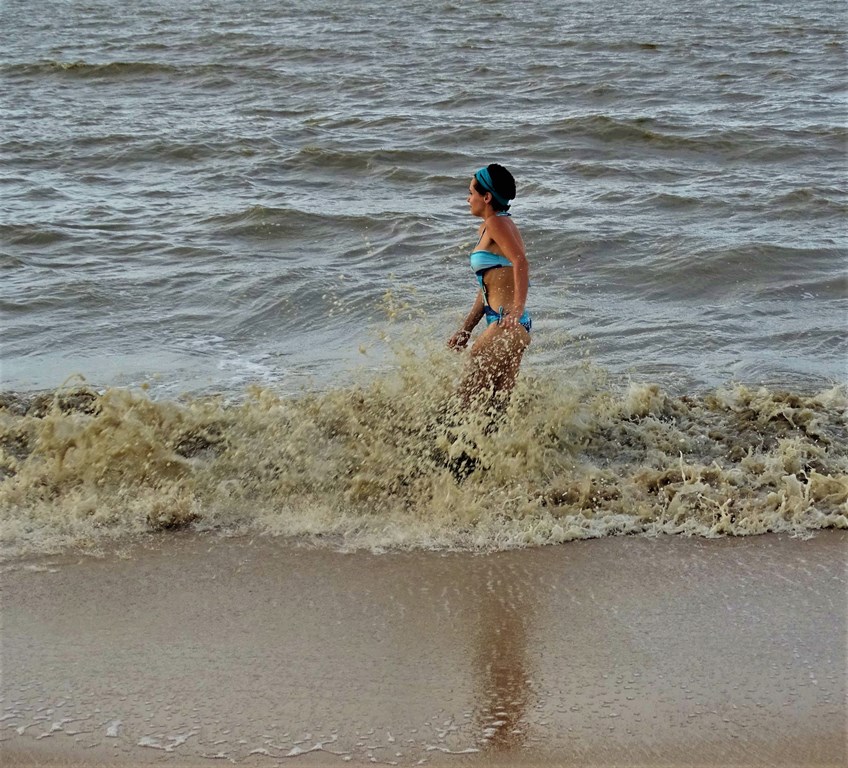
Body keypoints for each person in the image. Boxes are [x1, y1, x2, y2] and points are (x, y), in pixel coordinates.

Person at [448, 164, 531, 407]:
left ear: (486, 197)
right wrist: (466, 329)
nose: (468, 199)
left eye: (471, 192)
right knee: (496, 408)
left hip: (507, 323)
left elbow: (521, 262)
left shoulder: (497, 223)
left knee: (465, 402)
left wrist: (516, 308)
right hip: (509, 324)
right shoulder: (491, 227)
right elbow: (485, 289)